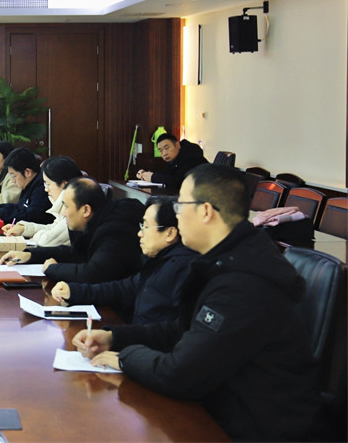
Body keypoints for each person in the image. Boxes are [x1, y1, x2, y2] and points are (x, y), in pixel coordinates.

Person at [73, 164, 319, 441]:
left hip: (255, 427)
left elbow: (181, 374)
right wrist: (115, 337)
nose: (177, 215)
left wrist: (125, 358)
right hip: (224, 408)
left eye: (181, 206)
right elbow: (184, 329)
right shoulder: (227, 258)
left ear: (205, 211)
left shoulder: (243, 281)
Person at [50, 197, 197, 324]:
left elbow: (168, 332)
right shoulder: (157, 261)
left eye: (146, 226)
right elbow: (123, 289)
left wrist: (115, 337)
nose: (140, 233)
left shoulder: (180, 269)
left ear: (170, 233)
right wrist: (74, 291)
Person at [0, 177, 143, 284]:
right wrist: (30, 255)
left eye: (67, 207)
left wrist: (53, 269)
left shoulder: (115, 231)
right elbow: (75, 253)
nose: (64, 213)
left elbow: (93, 273)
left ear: (85, 210)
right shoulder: (96, 221)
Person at [1, 155, 83, 247]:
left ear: (64, 185)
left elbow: (48, 240)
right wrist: (23, 228)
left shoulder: (75, 207)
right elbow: (54, 228)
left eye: (48, 184)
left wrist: (35, 238)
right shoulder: (66, 204)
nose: (46, 189)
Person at [0, 147, 52, 225]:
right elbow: (18, 207)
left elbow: (30, 216)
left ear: (27, 172)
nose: (12, 180)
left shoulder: (42, 187)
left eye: (14, 176)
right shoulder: (30, 183)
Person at [135, 133, 207, 189]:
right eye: (161, 150)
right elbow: (167, 175)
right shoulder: (175, 159)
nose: (164, 153)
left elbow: (177, 180)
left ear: (177, 145)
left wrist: (153, 177)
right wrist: (145, 174)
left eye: (166, 148)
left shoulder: (191, 156)